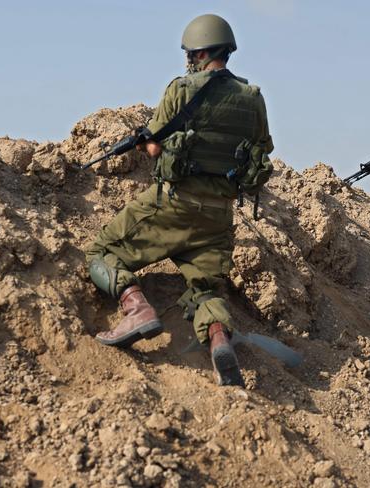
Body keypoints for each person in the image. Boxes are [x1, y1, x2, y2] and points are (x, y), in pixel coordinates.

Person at [83, 14, 274, 386]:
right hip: (219, 216)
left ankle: (136, 309)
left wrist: (147, 144)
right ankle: (219, 338)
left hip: (173, 204)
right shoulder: (253, 98)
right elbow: (262, 149)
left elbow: (156, 146)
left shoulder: (182, 89)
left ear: (199, 51)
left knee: (100, 253)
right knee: (205, 289)